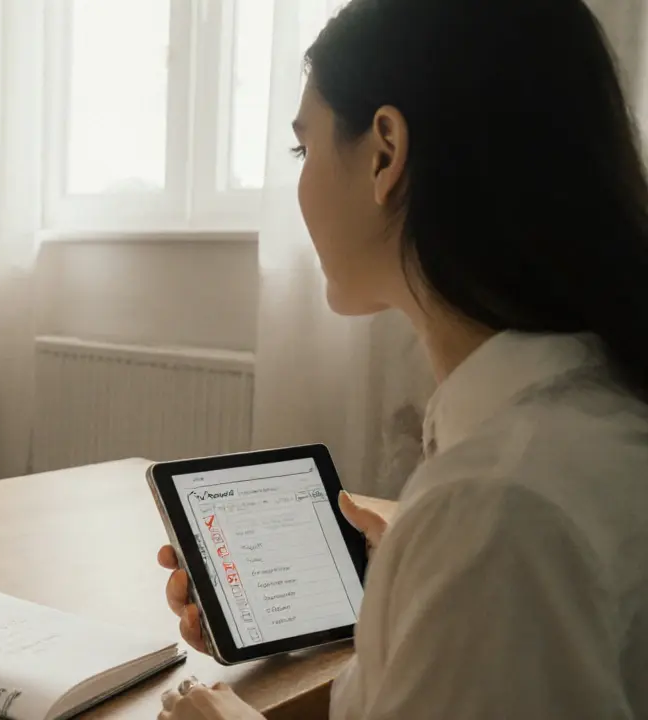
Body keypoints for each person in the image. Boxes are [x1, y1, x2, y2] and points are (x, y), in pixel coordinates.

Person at [157, 0, 648, 717]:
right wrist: (406, 585)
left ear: (385, 153)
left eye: (305, 148)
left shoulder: (494, 515)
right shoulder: (598, 419)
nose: (300, 180)